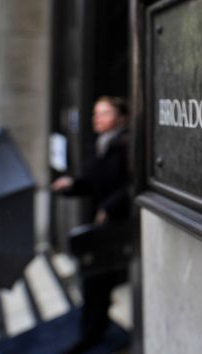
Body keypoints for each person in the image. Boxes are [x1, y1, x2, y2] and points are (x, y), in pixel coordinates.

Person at [52, 96, 131, 352]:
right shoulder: (97, 143)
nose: (97, 118)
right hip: (98, 219)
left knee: (100, 276)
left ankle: (94, 332)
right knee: (94, 277)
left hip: (117, 222)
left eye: (105, 113)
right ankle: (93, 327)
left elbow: (133, 184)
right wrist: (71, 185)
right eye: (96, 113)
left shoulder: (126, 144)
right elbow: (91, 181)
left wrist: (110, 206)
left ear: (121, 118)